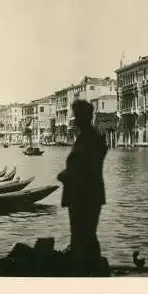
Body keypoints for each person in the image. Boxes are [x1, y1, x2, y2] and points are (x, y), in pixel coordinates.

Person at [57, 99, 108, 275]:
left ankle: (88, 273)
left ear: (86, 116)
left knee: (84, 236)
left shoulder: (91, 139)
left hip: (85, 196)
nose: (74, 118)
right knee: (85, 236)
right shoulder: (85, 137)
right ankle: (92, 270)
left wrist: (67, 175)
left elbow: (88, 169)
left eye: (77, 114)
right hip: (81, 195)